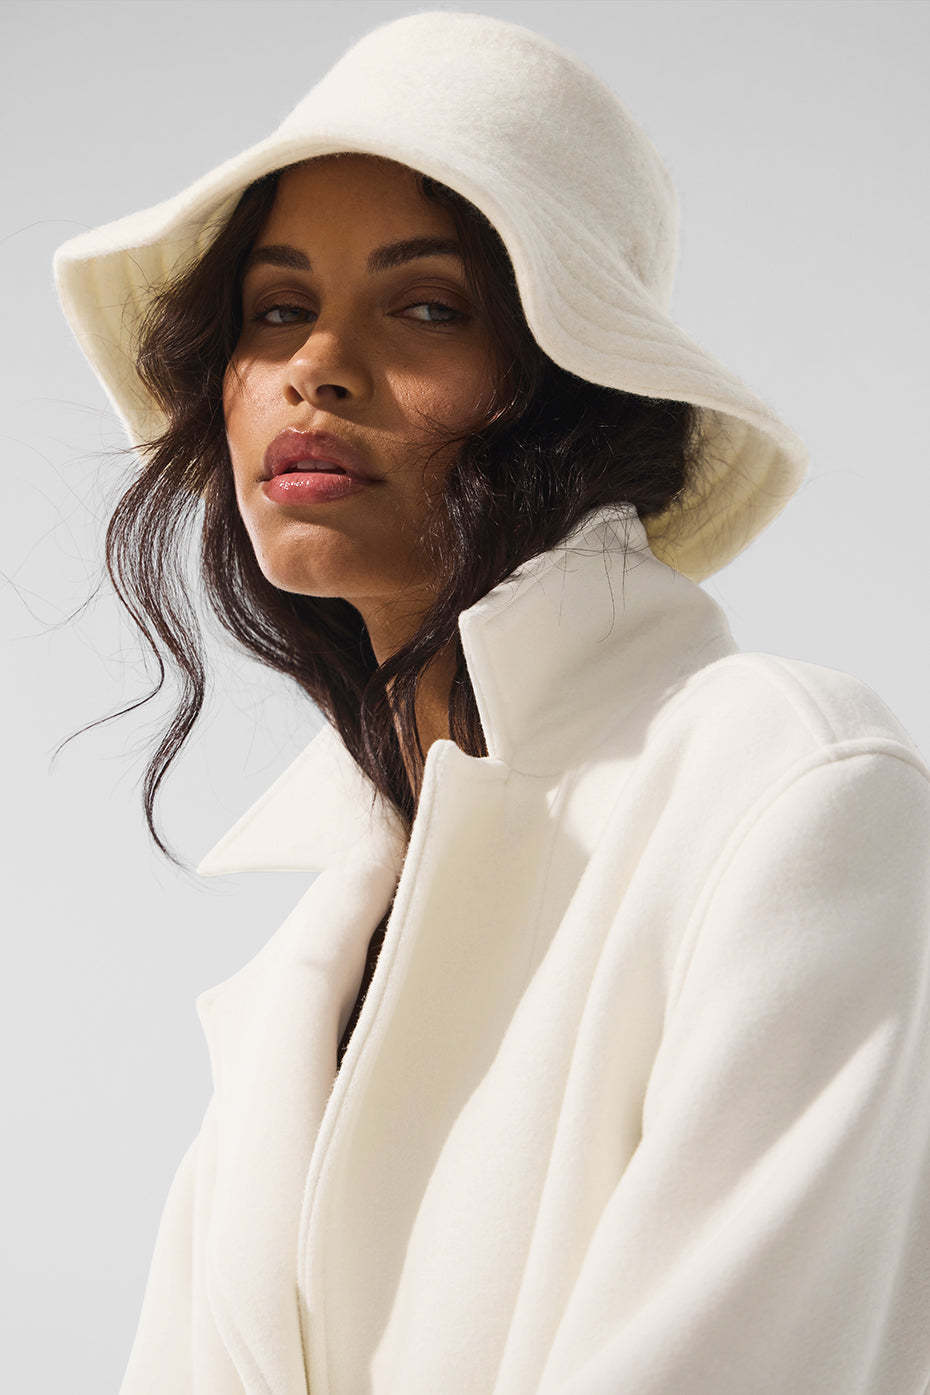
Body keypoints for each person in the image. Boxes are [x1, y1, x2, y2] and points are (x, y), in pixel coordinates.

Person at [52, 11, 930, 1395]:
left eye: (427, 308)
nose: (315, 364)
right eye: (275, 309)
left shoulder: (786, 791)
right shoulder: (317, 950)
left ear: (576, 384)